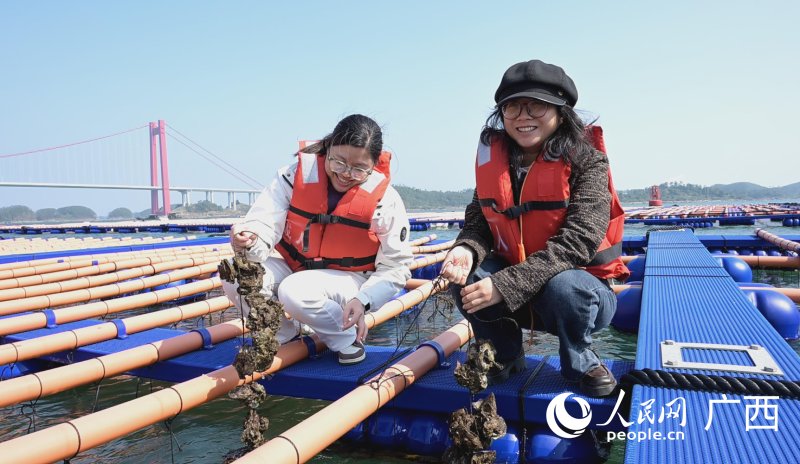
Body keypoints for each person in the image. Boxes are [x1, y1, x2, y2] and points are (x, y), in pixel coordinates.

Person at [440, 60, 629, 397]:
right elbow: (478, 221)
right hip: (515, 293)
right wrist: (465, 249)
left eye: (536, 105)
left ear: (561, 111)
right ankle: (505, 355)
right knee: (465, 277)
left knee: (567, 286)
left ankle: (581, 361)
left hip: (579, 293)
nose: (523, 116)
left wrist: (505, 284)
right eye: (512, 106)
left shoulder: (588, 161)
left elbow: (579, 241)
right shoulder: (493, 165)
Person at [222, 114, 413, 365]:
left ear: (374, 165)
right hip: (296, 267)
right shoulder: (291, 177)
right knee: (236, 273)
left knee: (295, 289)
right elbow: (264, 221)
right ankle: (284, 335)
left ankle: (347, 339)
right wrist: (250, 239)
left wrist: (364, 299)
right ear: (328, 149)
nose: (346, 174)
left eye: (358, 169)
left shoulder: (385, 201)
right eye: (339, 163)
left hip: (351, 281)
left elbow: (396, 266)